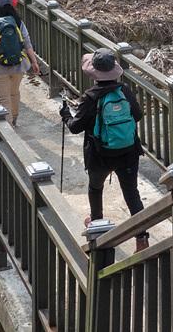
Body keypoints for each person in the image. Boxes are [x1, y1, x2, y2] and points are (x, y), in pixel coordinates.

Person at [62, 48, 150, 251]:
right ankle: (142, 238)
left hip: (100, 154)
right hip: (128, 152)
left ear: (94, 73)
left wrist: (66, 115)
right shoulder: (124, 91)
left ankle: (97, 225)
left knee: (95, 188)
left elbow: (75, 127)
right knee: (131, 193)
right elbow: (137, 115)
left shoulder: (91, 97)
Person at [0, 0, 41, 125]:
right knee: (14, 93)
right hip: (18, 64)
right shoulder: (18, 21)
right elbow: (27, 43)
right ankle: (14, 118)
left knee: (4, 97)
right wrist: (34, 62)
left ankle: (8, 126)